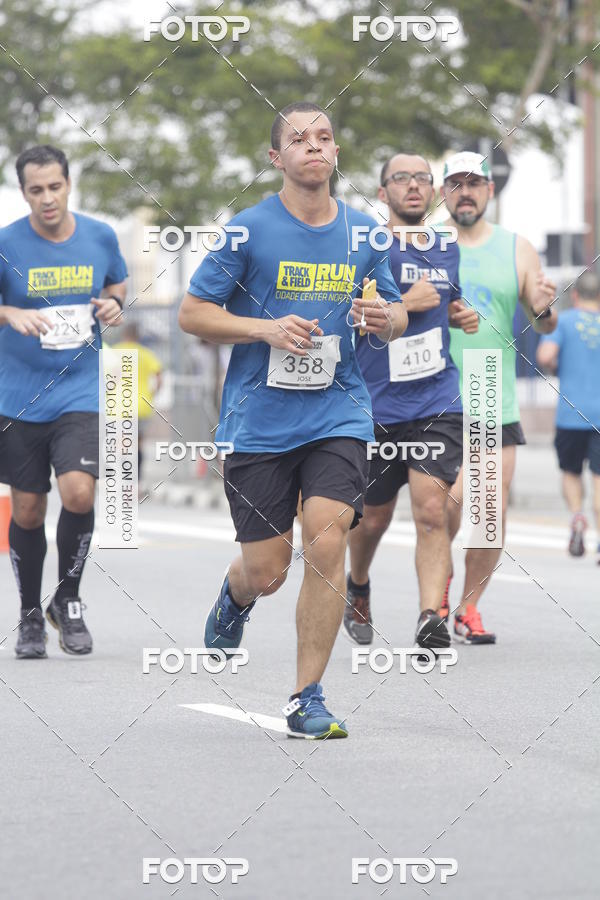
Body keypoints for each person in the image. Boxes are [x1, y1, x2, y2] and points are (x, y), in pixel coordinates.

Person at [178, 101, 407, 739]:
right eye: (299, 140)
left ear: (336, 153)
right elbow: (193, 314)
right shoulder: (247, 231)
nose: (316, 146)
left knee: (327, 536)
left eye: (325, 137)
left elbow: (395, 312)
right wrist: (266, 328)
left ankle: (307, 697)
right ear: (276, 158)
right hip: (259, 421)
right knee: (269, 571)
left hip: (339, 410)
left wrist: (385, 319)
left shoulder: (365, 233)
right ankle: (236, 595)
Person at [345, 153, 478, 653]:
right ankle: (358, 584)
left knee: (431, 510)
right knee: (373, 519)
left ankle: (430, 616)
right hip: (377, 406)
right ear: (383, 194)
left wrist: (459, 312)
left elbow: (449, 297)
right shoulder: (367, 248)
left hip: (436, 400)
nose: (414, 187)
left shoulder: (445, 246)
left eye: (423, 178)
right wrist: (408, 304)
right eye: (400, 179)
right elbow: (354, 319)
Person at [0, 144, 127, 658]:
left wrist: (115, 304)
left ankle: (67, 600)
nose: (47, 199)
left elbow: (117, 284)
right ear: (24, 192)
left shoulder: (100, 235)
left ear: (69, 184)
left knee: (79, 494)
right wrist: (10, 314)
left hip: (80, 390)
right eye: (36, 190)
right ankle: (31, 612)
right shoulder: (7, 243)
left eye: (55, 187)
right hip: (18, 396)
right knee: (29, 509)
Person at [442, 150, 557, 643]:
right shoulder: (429, 245)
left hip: (492, 388)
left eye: (475, 183)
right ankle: (436, 584)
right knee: (447, 505)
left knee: (489, 512)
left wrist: (545, 308)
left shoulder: (518, 248)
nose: (465, 191)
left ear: (490, 191)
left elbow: (541, 315)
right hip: (438, 390)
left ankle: (468, 608)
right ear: (443, 192)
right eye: (456, 183)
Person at [537, 270, 600, 561]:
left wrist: (557, 367)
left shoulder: (562, 321)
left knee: (571, 472)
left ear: (575, 295)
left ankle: (577, 517)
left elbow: (546, 356)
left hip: (570, 415)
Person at [112, 322, 163, 484]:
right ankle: (137, 482)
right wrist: (152, 395)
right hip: (142, 405)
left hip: (120, 406)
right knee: (138, 444)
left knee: (123, 444)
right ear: (138, 337)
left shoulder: (114, 352)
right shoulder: (147, 353)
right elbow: (159, 379)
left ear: (123, 335)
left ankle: (123, 480)